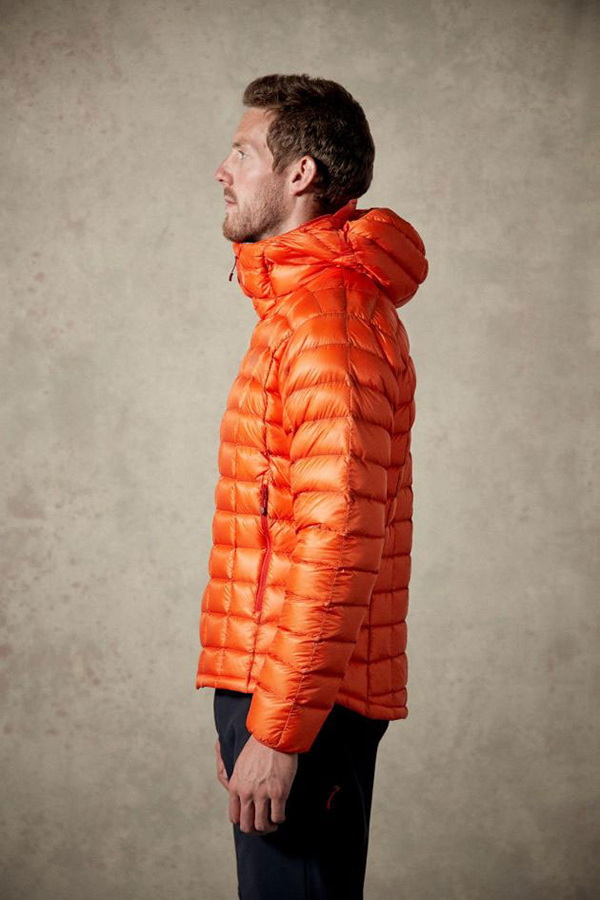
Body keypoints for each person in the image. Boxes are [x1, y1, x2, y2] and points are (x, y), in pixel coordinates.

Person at [195, 73, 429, 900]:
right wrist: (255, 712)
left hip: (302, 706)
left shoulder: (329, 322)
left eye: (242, 151)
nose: (222, 170)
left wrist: (279, 731)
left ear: (300, 174)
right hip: (285, 689)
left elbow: (337, 547)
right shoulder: (302, 313)